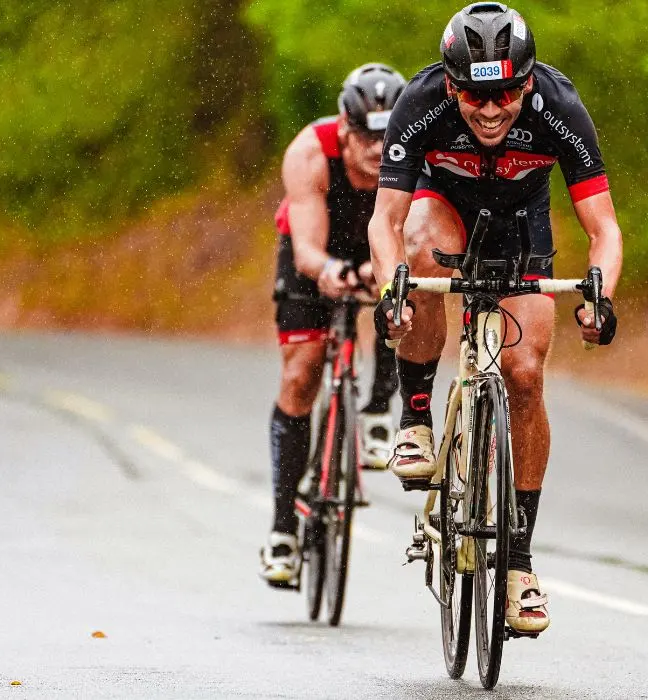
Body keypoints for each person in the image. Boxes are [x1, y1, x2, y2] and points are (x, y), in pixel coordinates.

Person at [367, 3, 622, 634]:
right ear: (451, 85)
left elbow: (604, 228)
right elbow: (385, 221)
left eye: (506, 92)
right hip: (440, 206)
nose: (490, 109)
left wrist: (600, 298)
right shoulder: (422, 101)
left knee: (526, 374)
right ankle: (418, 418)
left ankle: (516, 564)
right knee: (418, 252)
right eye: (475, 94)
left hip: (520, 222)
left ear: (528, 81)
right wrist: (389, 292)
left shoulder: (559, 108)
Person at [261, 63, 407, 586]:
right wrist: (332, 272)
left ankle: (375, 410)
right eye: (367, 134)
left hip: (381, 249)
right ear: (345, 129)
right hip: (316, 252)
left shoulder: (414, 152)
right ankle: (282, 528)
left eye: (387, 135)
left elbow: (418, 232)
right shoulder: (309, 152)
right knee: (302, 373)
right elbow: (305, 251)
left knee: (405, 301)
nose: (377, 147)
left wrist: (382, 272)